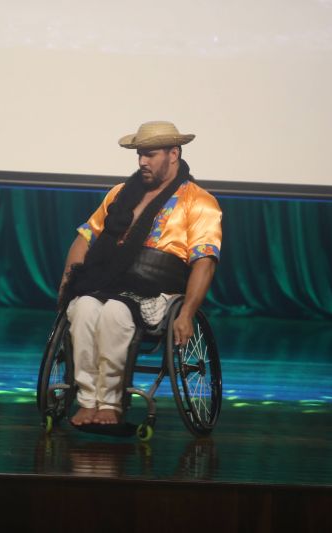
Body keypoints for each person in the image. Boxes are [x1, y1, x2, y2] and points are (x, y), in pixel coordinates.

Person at [58, 121, 222, 426]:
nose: (142, 162)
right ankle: (87, 398)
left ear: (173, 154)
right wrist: (68, 284)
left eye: (150, 154)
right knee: (82, 308)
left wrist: (188, 313)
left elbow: (205, 261)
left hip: (158, 290)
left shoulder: (198, 201)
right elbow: (85, 238)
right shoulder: (122, 194)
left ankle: (111, 401)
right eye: (139, 155)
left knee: (115, 313)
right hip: (108, 281)